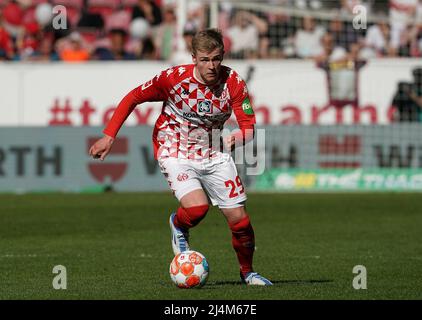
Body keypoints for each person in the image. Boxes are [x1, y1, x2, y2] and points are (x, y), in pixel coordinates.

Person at [88, 28, 272, 286]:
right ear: (194, 57)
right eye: (205, 59)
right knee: (197, 209)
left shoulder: (234, 83)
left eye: (217, 58)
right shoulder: (173, 79)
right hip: (174, 147)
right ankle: (178, 223)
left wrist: (236, 138)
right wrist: (109, 136)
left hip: (213, 151)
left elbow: (248, 127)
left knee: (240, 220)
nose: (212, 66)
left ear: (223, 55)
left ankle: (248, 273)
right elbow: (133, 97)